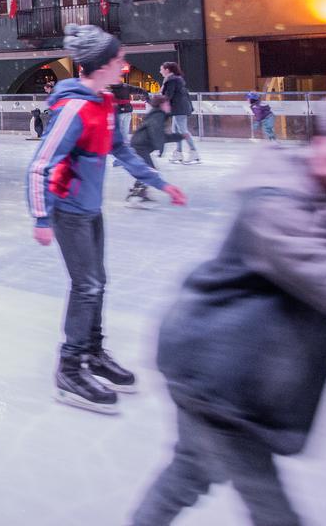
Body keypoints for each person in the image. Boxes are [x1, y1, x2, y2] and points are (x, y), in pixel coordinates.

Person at [129, 98, 326, 525]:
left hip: (236, 374)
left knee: (189, 474)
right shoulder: (276, 195)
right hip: (216, 377)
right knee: (272, 511)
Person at [28, 25, 187, 414]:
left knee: (97, 284)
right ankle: (69, 366)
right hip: (68, 211)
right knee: (87, 286)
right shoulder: (74, 108)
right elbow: (41, 165)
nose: (124, 65)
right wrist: (41, 217)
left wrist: (159, 182)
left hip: (90, 209)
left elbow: (124, 151)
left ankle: (92, 353)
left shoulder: (102, 104)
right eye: (118, 60)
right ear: (100, 65)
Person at [125, 94, 188, 208]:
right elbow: (156, 134)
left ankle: (138, 192)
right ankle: (136, 195)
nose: (169, 106)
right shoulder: (158, 115)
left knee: (148, 169)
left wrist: (179, 136)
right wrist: (160, 147)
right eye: (167, 104)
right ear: (162, 105)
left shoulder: (159, 115)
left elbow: (162, 136)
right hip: (140, 145)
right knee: (149, 170)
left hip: (140, 144)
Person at [160, 62, 199, 164]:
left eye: (162, 69)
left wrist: (158, 103)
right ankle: (178, 152)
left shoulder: (171, 80)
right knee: (176, 131)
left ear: (167, 70)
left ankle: (194, 152)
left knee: (182, 131)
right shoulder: (176, 79)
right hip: (178, 108)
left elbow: (168, 95)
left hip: (179, 108)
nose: (160, 72)